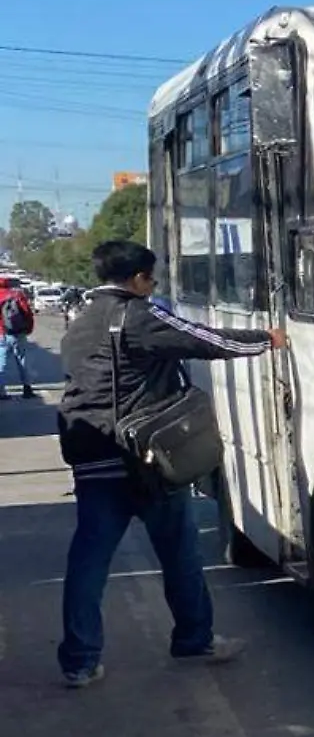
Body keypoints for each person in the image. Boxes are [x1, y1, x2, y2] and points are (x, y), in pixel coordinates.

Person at [54, 240, 285, 689]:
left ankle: (79, 661)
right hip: (144, 459)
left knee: (88, 561)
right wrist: (266, 340)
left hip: (93, 458)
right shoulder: (138, 314)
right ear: (139, 279)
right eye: (151, 278)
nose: (153, 285)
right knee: (179, 553)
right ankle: (194, 639)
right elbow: (204, 340)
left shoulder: (79, 323)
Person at [0, 276, 36, 399]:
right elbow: (27, 312)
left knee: (1, 363)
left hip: (0, 334)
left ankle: (1, 392)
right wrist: (29, 328)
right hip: (17, 333)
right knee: (22, 360)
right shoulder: (16, 295)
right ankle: (27, 389)